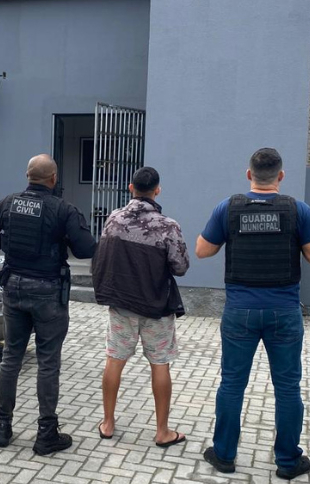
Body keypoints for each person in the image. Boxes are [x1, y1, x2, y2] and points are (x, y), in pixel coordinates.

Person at [196, 148, 310, 480]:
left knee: (232, 384)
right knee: (287, 388)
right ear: (280, 176)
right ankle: (287, 461)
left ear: (249, 175)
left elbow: (202, 250)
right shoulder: (298, 210)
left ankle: (224, 455)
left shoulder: (227, 208)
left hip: (239, 312)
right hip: (284, 312)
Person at [0, 154, 96, 455]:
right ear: (53, 179)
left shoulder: (6, 204)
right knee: (48, 362)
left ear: (27, 176)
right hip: (48, 291)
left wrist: (8, 241)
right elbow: (86, 249)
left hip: (13, 287)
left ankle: (2, 427)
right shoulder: (63, 209)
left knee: (10, 357)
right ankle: (46, 434)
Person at [91, 167, 189, 447]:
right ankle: (162, 431)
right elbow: (180, 267)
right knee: (160, 363)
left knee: (114, 359)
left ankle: (108, 423)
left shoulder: (113, 219)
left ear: (131, 188)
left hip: (122, 304)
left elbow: (103, 256)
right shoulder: (168, 226)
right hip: (157, 306)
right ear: (157, 190)